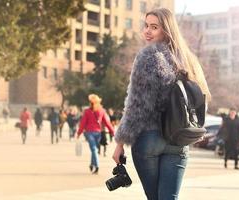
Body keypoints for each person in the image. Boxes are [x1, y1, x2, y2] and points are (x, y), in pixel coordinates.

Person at [112, 8, 211, 200]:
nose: (147, 31)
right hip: (179, 140)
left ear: (166, 30)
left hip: (150, 139)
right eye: (146, 26)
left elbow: (137, 106)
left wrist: (120, 143)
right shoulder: (189, 60)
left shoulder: (147, 57)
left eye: (154, 27)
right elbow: (201, 102)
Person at [76, 94, 115, 174]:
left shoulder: (98, 111)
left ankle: (92, 164)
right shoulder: (97, 111)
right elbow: (83, 123)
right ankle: (96, 166)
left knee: (94, 150)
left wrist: (112, 132)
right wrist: (112, 132)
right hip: (94, 133)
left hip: (95, 133)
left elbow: (106, 122)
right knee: (94, 149)